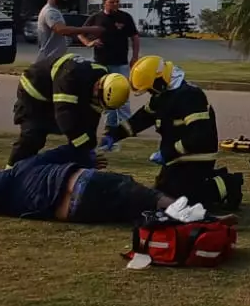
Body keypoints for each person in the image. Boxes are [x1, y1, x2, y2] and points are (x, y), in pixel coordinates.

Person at [99, 56, 239, 210]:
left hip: (197, 157)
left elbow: (200, 136)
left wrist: (167, 152)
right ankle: (204, 181)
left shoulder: (190, 96)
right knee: (162, 195)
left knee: (183, 200)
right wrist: (114, 134)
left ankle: (228, 183)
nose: (150, 93)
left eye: (150, 89)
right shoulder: (162, 95)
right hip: (176, 157)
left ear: (160, 80)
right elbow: (142, 119)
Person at [0, 142, 178, 223]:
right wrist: (87, 157)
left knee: (130, 213)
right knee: (131, 190)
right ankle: (180, 210)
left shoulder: (9, 203)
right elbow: (57, 153)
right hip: (79, 182)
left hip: (75, 211)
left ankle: (171, 218)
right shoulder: (14, 171)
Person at [8, 49, 131, 165]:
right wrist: (84, 151)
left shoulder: (102, 78)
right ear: (98, 86)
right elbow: (65, 116)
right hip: (34, 90)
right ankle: (9, 173)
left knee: (78, 136)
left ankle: (70, 165)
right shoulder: (71, 77)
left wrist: (90, 145)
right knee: (33, 135)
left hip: (57, 92)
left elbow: (91, 118)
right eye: (98, 99)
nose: (97, 103)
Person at [83, 0, 140, 131]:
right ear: (105, 3)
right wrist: (89, 42)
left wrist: (135, 56)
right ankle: (111, 123)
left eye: (117, 2)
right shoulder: (96, 18)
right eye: (112, 2)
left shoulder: (125, 17)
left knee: (122, 93)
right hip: (102, 62)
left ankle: (126, 124)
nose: (115, 4)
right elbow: (81, 32)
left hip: (120, 62)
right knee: (106, 93)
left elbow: (135, 37)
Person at [36, 0, 101, 61]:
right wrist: (91, 29)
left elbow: (67, 32)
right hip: (48, 61)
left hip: (53, 59)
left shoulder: (55, 10)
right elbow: (62, 30)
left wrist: (87, 40)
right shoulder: (50, 12)